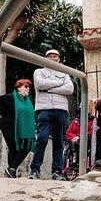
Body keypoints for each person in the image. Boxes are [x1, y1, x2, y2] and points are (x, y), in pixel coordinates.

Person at [29, 49, 73, 180]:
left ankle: (57, 171)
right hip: (44, 108)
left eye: (55, 56)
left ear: (59, 59)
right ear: (45, 58)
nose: (52, 59)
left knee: (59, 142)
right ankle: (35, 170)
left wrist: (49, 88)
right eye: (50, 56)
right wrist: (60, 85)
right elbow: (40, 84)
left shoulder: (65, 73)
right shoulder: (39, 72)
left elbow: (70, 89)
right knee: (42, 139)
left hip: (61, 109)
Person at [0, 79, 36, 178]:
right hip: (8, 125)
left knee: (26, 147)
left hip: (24, 129)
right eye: (25, 86)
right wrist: (4, 114)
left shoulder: (30, 100)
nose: (28, 89)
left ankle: (11, 170)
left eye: (29, 87)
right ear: (19, 88)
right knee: (13, 148)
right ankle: (12, 171)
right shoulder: (11, 97)